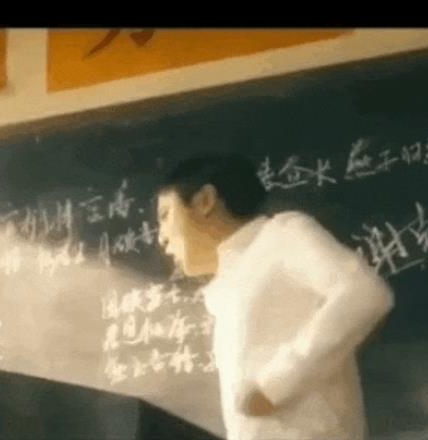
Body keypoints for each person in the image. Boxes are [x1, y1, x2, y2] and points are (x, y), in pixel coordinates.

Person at [157, 152, 394, 440]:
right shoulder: (226, 286)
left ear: (205, 201)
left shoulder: (281, 236)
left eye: (165, 215)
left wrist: (275, 386)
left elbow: (363, 294)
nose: (161, 237)